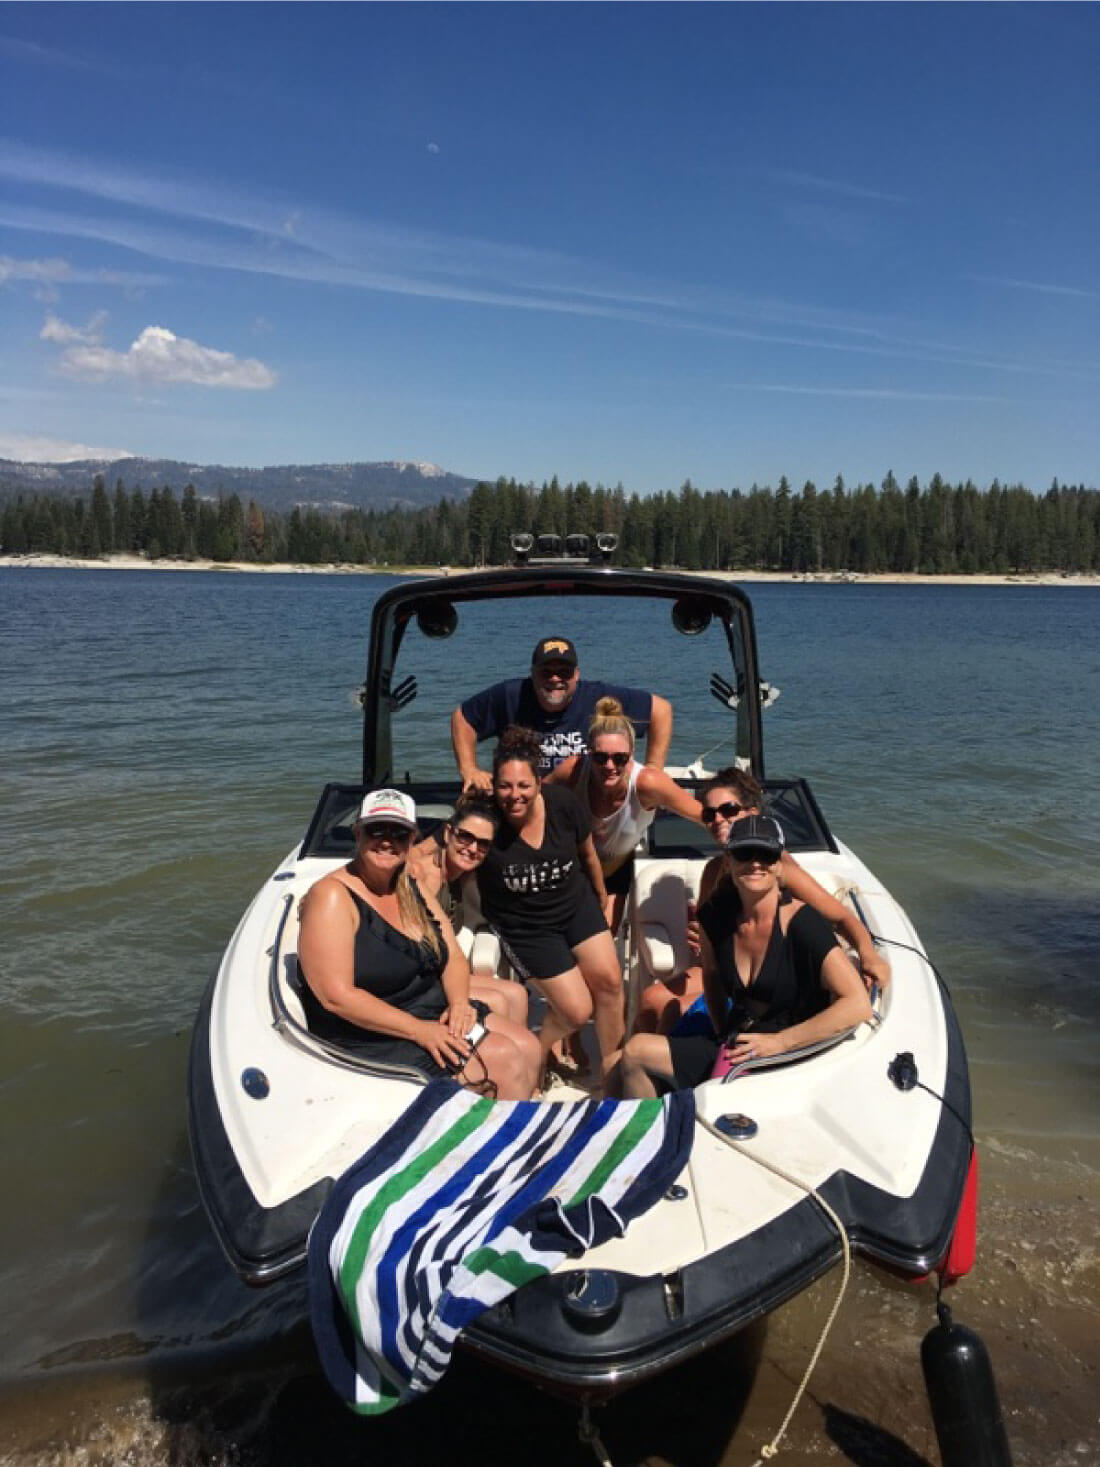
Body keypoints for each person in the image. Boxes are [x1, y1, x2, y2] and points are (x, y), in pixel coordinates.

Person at [297, 788, 540, 1099]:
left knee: (527, 1046)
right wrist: (420, 1030)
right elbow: (336, 997)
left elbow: (451, 953)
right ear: (357, 834)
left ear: (412, 839)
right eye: (376, 829)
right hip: (372, 1031)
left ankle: (514, 1128)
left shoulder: (407, 885)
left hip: (425, 1007)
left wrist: (459, 1003)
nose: (387, 840)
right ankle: (494, 1138)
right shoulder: (332, 896)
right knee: (504, 1059)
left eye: (398, 832)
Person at [610, 814, 873, 1097]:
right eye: (744, 853)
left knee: (636, 1052)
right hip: (739, 1043)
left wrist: (780, 1043)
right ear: (729, 860)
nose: (755, 863)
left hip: (787, 1055)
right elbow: (711, 975)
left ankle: (654, 1131)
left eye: (766, 854)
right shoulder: (716, 916)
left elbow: (857, 1004)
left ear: (779, 863)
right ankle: (649, 1128)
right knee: (613, 1065)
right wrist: (722, 1027)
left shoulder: (801, 923)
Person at [634, 767, 890, 1034]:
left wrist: (868, 954)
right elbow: (712, 933)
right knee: (650, 1001)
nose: (718, 819)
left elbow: (842, 918)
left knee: (667, 1012)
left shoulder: (776, 868)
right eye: (709, 814)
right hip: (728, 966)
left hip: (768, 979)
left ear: (752, 813)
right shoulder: (713, 871)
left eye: (729, 810)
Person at [475, 726, 624, 1082]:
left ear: (539, 782)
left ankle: (612, 1074)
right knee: (576, 1011)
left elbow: (587, 854)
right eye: (505, 786)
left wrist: (601, 895)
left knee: (610, 982)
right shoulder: (484, 820)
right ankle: (539, 1051)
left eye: (524, 785)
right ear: (493, 785)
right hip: (525, 925)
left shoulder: (563, 803)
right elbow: (443, 853)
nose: (514, 795)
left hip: (575, 904)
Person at [546, 696, 704, 931]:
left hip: (616, 869)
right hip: (575, 866)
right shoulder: (574, 769)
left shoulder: (648, 783)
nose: (609, 766)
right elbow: (534, 798)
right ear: (588, 753)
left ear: (631, 754)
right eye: (600, 757)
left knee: (602, 936)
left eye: (619, 758)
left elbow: (705, 816)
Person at [452, 635, 673, 790]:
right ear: (532, 674)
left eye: (564, 672)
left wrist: (654, 769)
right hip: (521, 799)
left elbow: (661, 710)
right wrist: (469, 769)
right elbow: (463, 718)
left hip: (582, 802)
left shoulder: (597, 695)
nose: (555, 679)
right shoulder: (511, 695)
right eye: (546, 672)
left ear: (576, 674)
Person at [406, 789, 529, 1027]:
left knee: (518, 994)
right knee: (499, 1001)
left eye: (483, 844)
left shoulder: (462, 874)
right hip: (418, 977)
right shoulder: (423, 875)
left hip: (439, 968)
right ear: (448, 833)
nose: (472, 848)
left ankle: (521, 1060)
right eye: (465, 837)